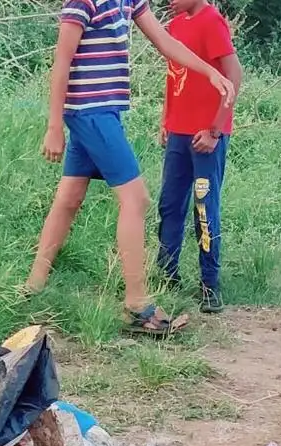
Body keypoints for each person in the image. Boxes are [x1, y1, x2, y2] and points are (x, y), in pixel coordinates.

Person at [24, 0, 233, 336]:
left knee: (69, 198)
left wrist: (210, 71)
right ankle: (137, 305)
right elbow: (61, 63)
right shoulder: (83, 2)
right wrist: (53, 126)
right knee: (136, 200)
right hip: (91, 113)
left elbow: (166, 42)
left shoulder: (129, 2)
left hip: (105, 113)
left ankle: (32, 285)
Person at [156, 0, 242, 314]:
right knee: (169, 204)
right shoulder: (176, 24)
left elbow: (234, 74)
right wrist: (166, 120)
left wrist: (215, 130)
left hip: (205, 136)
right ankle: (166, 275)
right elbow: (173, 76)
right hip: (178, 132)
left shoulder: (211, 21)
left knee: (205, 208)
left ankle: (210, 284)